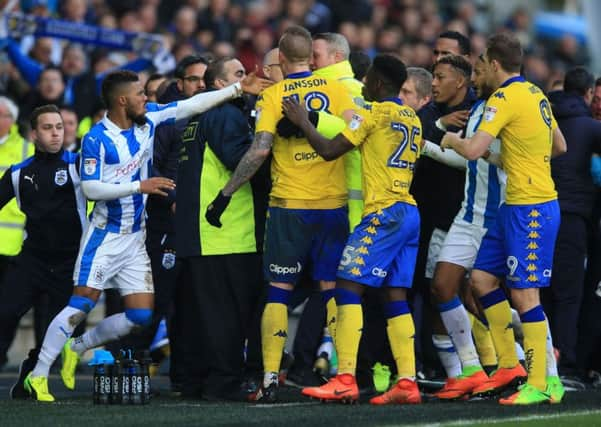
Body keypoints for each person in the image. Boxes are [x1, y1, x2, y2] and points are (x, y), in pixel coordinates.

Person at [23, 69, 270, 402]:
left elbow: (191, 105)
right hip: (105, 236)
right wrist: (141, 185)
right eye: (140, 93)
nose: (146, 98)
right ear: (123, 100)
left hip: (135, 239)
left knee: (141, 316)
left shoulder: (149, 120)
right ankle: (38, 375)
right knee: (80, 304)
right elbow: (93, 187)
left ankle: (77, 347)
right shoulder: (97, 138)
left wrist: (238, 88)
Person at [204, 25, 355, 403]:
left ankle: (269, 380)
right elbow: (357, 131)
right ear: (312, 57)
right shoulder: (340, 90)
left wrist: (224, 195)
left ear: (283, 60)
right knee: (331, 291)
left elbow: (258, 151)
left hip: (289, 208)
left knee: (279, 290)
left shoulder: (277, 94)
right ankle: (346, 377)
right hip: (333, 206)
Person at [281, 54, 423, 405]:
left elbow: (330, 151)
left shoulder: (371, 114)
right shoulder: (412, 118)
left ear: (376, 84)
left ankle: (344, 376)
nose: (363, 86)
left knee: (346, 286)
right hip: (408, 211)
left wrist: (304, 121)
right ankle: (407, 381)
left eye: (367, 80)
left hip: (383, 212)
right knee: (395, 295)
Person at [441, 33, 567, 405]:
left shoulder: (505, 97)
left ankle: (542, 381)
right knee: (481, 279)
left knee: (525, 295)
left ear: (495, 65)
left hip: (531, 208)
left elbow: (473, 149)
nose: (481, 72)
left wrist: (449, 140)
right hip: (514, 205)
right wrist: (519, 159)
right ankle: (509, 366)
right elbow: (558, 146)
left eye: (482, 67)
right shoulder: (535, 93)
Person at [176, 57, 268, 400]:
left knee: (205, 314)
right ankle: (224, 382)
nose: (248, 78)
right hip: (226, 231)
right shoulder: (226, 115)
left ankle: (197, 380)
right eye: (239, 74)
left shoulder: (193, 120)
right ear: (219, 85)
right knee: (228, 316)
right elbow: (241, 161)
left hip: (198, 233)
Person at [0, 104, 87, 398]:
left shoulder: (78, 166)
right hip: (32, 259)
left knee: (59, 330)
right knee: (5, 312)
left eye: (59, 127)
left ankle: (30, 373)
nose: (55, 134)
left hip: (71, 262)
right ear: (33, 134)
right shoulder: (17, 173)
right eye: (48, 128)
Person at [545, 67, 601, 377]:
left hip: (536, 213)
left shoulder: (544, 116)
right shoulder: (589, 128)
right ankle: (564, 363)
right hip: (571, 219)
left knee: (539, 290)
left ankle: (538, 358)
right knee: (569, 294)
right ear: (589, 94)